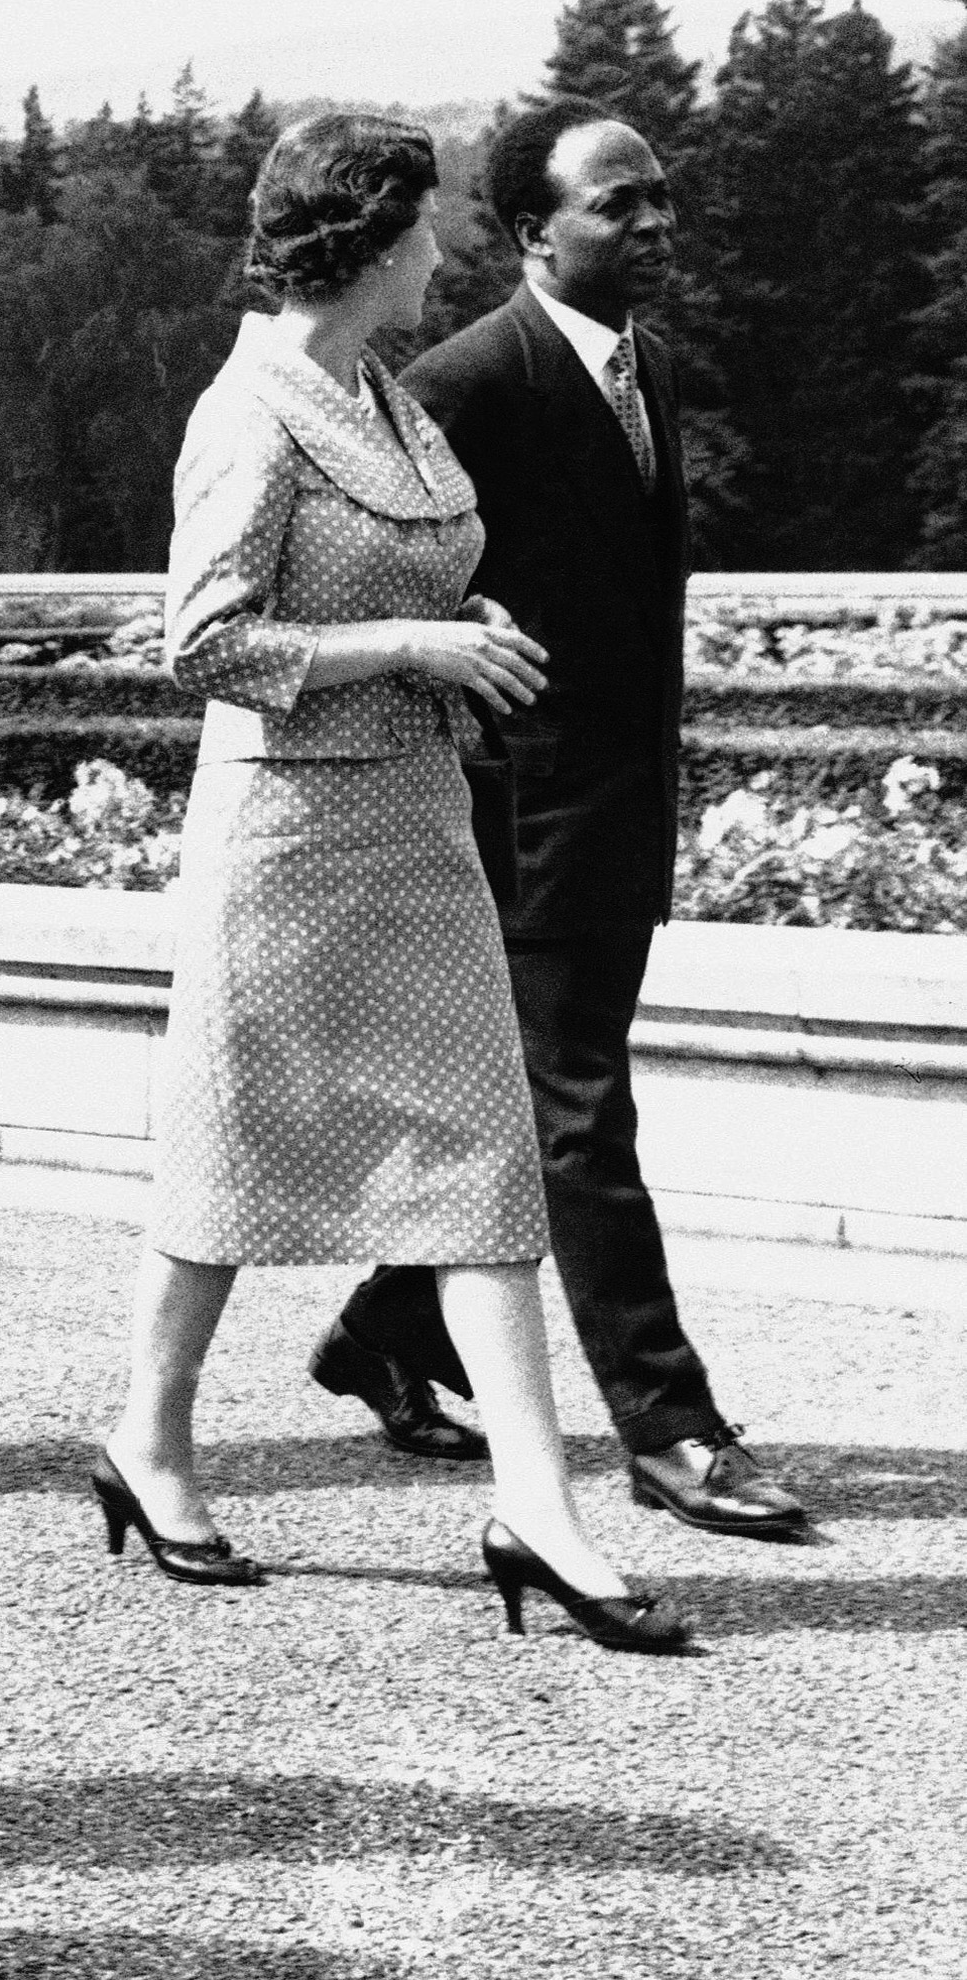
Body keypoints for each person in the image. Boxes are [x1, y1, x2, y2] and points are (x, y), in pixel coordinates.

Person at [99, 112, 686, 1653]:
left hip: (421, 823)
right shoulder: (255, 408)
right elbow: (204, 639)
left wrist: (460, 625)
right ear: (361, 240)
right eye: (422, 230)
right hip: (287, 847)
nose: (444, 253)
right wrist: (419, 647)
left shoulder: (382, 398)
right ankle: (147, 1444)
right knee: (227, 1170)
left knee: (487, 1168)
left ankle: (538, 1510)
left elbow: (415, 564)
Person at [305, 98, 811, 1541]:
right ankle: (671, 1425)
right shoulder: (466, 383)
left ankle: (387, 1331)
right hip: (510, 826)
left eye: (660, 195)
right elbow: (368, 582)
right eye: (619, 202)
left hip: (613, 818)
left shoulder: (647, 365)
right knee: (584, 1116)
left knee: (541, 1117)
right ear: (535, 231)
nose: (655, 220)